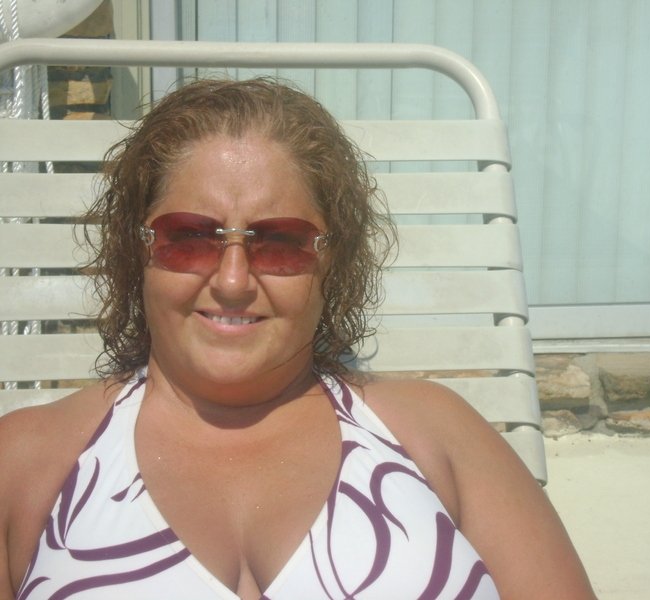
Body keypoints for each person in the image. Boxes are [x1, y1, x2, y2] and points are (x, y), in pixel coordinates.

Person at [0, 78, 596, 599]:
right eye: (190, 236)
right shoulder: (27, 462)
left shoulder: (437, 434)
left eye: (280, 241)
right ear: (139, 251)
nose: (233, 281)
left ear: (331, 261)